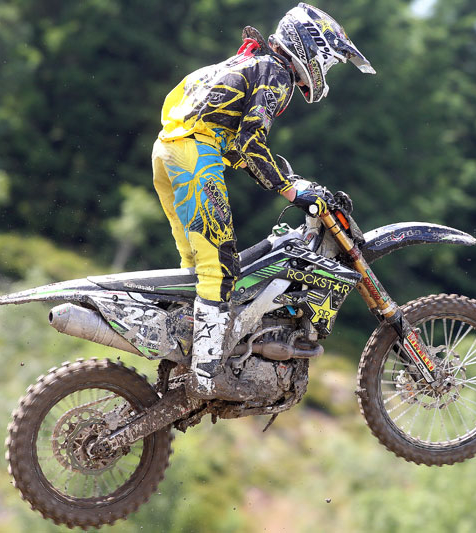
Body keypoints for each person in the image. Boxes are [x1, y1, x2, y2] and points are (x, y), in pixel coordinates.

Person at [152, 3, 375, 400]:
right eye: (329, 61)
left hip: (167, 150)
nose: (328, 70)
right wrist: (291, 190)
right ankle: (206, 376)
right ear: (311, 48)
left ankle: (183, 349)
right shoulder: (276, 74)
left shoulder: (249, 62)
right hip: (193, 156)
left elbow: (228, 134)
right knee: (220, 268)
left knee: (195, 270)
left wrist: (288, 178)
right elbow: (250, 143)